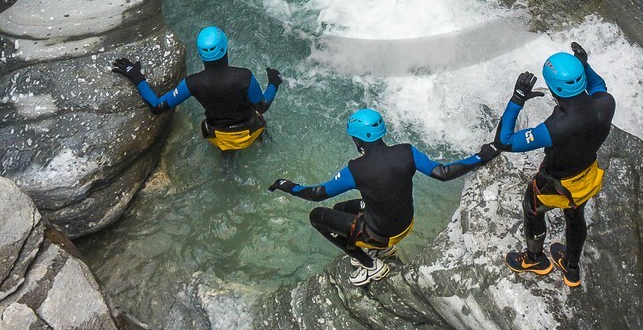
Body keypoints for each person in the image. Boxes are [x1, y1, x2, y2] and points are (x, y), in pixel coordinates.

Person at [269, 108, 499, 286]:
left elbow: (318, 194)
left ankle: (370, 264)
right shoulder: (406, 151)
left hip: (380, 233)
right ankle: (383, 250)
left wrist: (288, 186)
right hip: (406, 225)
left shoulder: (356, 169)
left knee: (317, 216)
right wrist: (482, 155)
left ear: (358, 140)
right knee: (340, 207)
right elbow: (443, 172)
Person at [496, 41, 615, 286]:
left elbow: (504, 141)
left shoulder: (555, 128)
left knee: (532, 209)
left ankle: (534, 259)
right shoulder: (606, 103)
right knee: (575, 215)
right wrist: (584, 65)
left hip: (555, 183)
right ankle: (571, 268)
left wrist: (517, 99)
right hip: (587, 174)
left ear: (552, 88)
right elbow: (597, 85)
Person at [112, 26, 282, 151]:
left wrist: (136, 76)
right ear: (225, 47)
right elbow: (263, 106)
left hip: (220, 137)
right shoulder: (244, 77)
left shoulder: (192, 83)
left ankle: (227, 162)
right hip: (249, 132)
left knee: (224, 147)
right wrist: (274, 83)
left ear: (201, 54)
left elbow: (157, 106)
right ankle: (265, 143)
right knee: (260, 124)